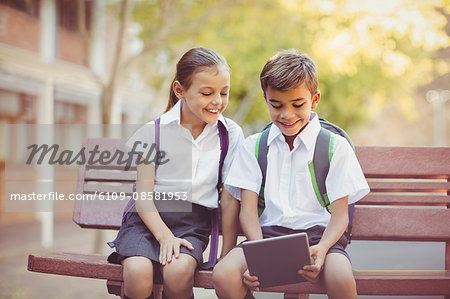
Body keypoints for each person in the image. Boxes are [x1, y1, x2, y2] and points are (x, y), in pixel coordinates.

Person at [212, 49, 370, 299]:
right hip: (267, 236)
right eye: (276, 105)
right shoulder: (253, 146)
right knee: (224, 274)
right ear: (266, 99)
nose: (287, 115)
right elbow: (248, 211)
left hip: (320, 237)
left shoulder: (334, 147)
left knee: (341, 278)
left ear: (315, 99)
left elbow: (340, 217)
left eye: (298, 105)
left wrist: (323, 248)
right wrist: (259, 251)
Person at [108, 47, 243, 299]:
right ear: (179, 90)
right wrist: (165, 236)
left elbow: (228, 197)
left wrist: (226, 253)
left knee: (177, 272)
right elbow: (144, 197)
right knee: (138, 273)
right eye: (206, 93)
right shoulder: (153, 133)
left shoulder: (230, 134)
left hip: (192, 224)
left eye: (224, 92)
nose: (217, 101)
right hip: (146, 221)